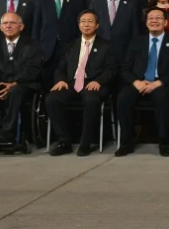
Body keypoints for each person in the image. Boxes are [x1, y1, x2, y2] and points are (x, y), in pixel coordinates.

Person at [46, 10, 118, 156]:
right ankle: (64, 142)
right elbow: (60, 67)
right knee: (52, 99)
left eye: (90, 21)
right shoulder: (71, 45)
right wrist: (60, 80)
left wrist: (99, 81)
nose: (86, 24)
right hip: (72, 83)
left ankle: (86, 143)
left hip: (94, 84)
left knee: (91, 99)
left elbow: (112, 69)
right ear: (78, 25)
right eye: (83, 21)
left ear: (97, 25)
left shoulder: (107, 46)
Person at [116, 7, 169, 157]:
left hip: (162, 84)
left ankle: (164, 142)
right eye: (151, 18)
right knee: (123, 97)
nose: (154, 21)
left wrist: (158, 83)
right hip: (139, 83)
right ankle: (126, 142)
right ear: (146, 23)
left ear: (165, 22)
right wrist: (136, 82)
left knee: (161, 97)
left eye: (158, 18)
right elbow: (125, 69)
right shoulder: (136, 41)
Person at [0, 13, 42, 144]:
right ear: (0, 27)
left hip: (23, 84)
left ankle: (8, 133)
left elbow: (32, 71)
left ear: (21, 26)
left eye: (12, 23)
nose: (8, 26)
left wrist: (12, 84)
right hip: (0, 83)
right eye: (5, 23)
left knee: (16, 91)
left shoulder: (32, 45)